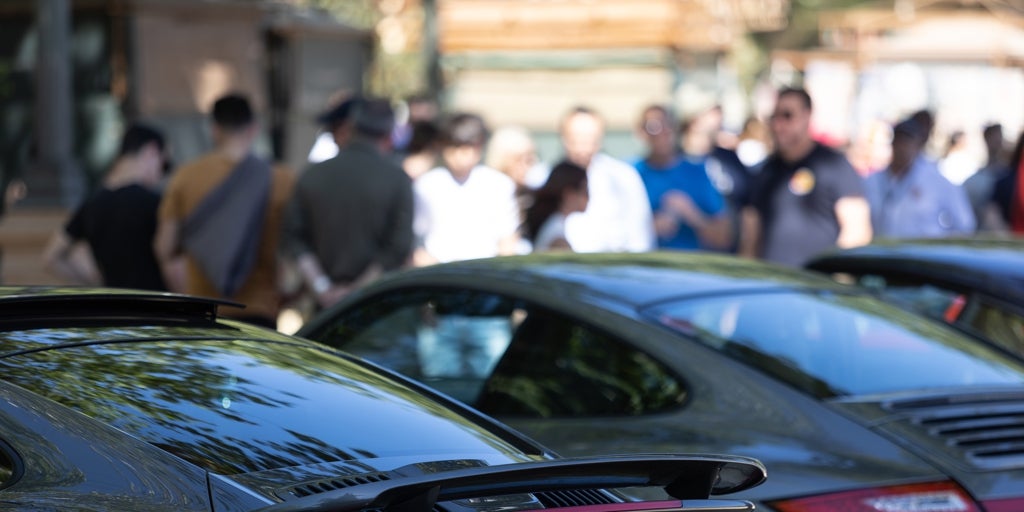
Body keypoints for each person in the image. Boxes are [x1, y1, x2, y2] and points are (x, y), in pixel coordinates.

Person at [155, 93, 295, 328]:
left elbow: (164, 247)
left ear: (214, 129)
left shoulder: (186, 177)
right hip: (261, 314)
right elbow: (294, 251)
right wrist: (290, 296)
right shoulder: (282, 179)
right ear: (254, 129)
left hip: (202, 310)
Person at [280, 98, 414, 310]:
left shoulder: (312, 175)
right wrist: (356, 292)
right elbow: (398, 248)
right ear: (389, 135)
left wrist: (323, 288)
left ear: (351, 128)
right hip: (378, 310)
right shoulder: (398, 180)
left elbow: (293, 239)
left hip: (325, 311)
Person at [739, 87, 872, 267]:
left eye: (788, 115)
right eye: (774, 117)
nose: (779, 125)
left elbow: (856, 231)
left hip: (816, 287)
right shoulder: (765, 171)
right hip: (771, 287)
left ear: (807, 116)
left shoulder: (833, 165)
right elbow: (750, 239)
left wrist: (836, 277)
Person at [43, 123, 170, 290]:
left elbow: (51, 257)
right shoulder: (156, 203)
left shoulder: (92, 204)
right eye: (164, 165)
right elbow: (172, 260)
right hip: (157, 309)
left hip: (114, 308)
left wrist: (97, 285)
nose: (161, 174)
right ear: (151, 151)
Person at [528, 106, 655, 253]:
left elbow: (640, 236)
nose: (584, 147)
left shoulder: (623, 177)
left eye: (591, 140)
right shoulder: (539, 177)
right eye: (576, 139)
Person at [412, 112, 521, 266]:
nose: (460, 155)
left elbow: (507, 240)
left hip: (485, 270)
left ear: (480, 147)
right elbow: (417, 238)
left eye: (468, 147)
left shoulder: (499, 184)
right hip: (436, 271)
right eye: (455, 146)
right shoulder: (427, 184)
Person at [634, 105, 731, 251]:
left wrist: (691, 215)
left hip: (689, 268)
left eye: (667, 124)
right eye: (653, 126)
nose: (662, 132)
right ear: (641, 132)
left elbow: (723, 238)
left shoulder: (698, 172)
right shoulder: (631, 173)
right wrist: (650, 227)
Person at [865, 118, 975, 239]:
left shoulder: (936, 181)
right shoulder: (872, 180)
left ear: (917, 145)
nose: (902, 147)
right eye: (899, 141)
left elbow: (965, 224)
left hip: (924, 254)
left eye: (907, 142)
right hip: (882, 252)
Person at [522, 160, 588, 251]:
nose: (589, 197)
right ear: (569, 194)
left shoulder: (554, 224)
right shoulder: (557, 234)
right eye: (585, 191)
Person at [963, 123, 1010, 231]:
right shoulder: (972, 182)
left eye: (999, 137)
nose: (997, 142)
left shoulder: (1010, 178)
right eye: (993, 137)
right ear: (986, 139)